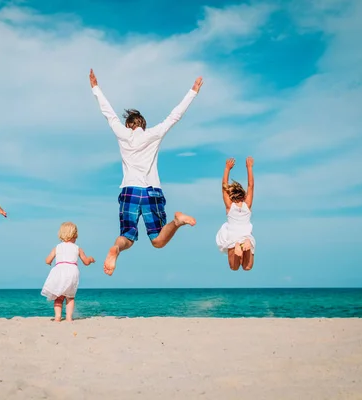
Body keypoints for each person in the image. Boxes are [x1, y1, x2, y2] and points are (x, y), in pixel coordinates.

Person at [89, 69, 203, 276]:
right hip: (151, 191)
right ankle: (177, 221)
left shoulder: (123, 134)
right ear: (143, 124)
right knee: (158, 241)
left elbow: (108, 113)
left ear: (129, 125)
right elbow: (174, 116)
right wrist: (193, 92)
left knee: (127, 237)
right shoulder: (153, 134)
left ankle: (116, 249)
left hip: (129, 191)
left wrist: (95, 88)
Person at [42, 222, 95, 322]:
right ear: (75, 235)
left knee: (59, 296)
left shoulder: (57, 247)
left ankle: (57, 317)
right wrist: (90, 259)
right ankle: (69, 317)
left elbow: (47, 260)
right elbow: (86, 262)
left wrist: (49, 262)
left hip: (59, 271)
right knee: (70, 297)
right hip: (72, 272)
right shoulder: (77, 248)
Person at [215, 157, 255, 271]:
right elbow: (250, 186)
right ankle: (244, 244)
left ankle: (238, 245)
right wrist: (249, 167)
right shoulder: (247, 205)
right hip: (246, 235)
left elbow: (224, 187)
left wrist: (227, 168)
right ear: (243, 195)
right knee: (247, 267)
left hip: (233, 238)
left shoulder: (229, 206)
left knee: (234, 267)